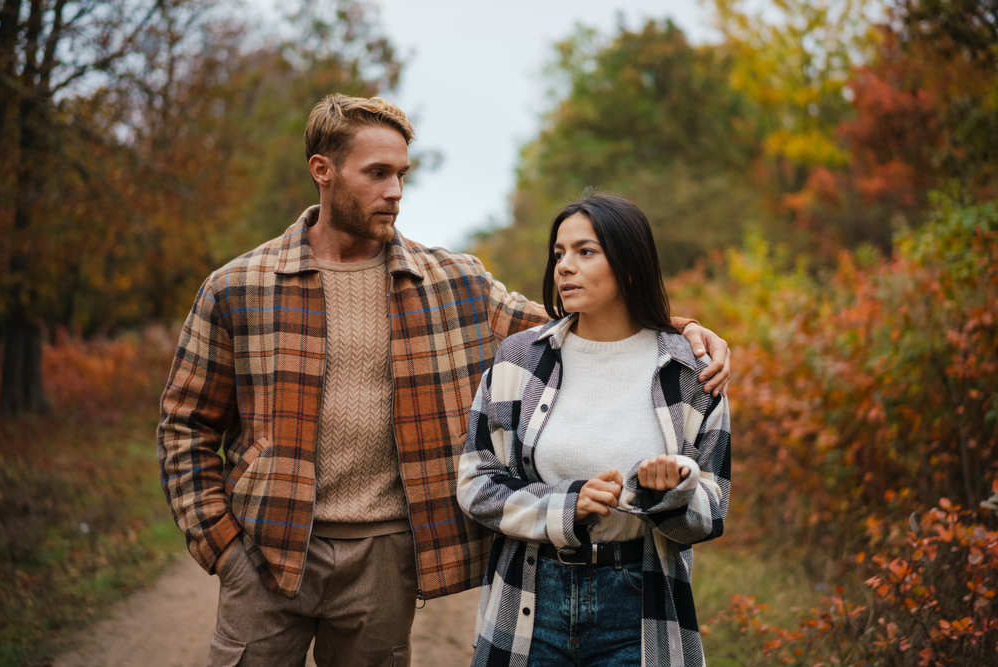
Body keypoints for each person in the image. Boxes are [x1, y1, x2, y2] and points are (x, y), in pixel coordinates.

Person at [157, 95, 731, 667]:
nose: (395, 191)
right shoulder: (239, 287)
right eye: (377, 173)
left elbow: (576, 327)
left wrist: (681, 330)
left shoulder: (454, 282)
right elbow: (185, 424)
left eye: (401, 174)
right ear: (322, 171)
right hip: (266, 550)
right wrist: (224, 546)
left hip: (384, 560)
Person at [457, 193, 731, 667]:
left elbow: (713, 509)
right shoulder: (520, 361)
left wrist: (669, 492)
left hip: (640, 606)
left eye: (585, 251)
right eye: (559, 253)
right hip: (528, 598)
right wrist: (565, 506)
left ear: (628, 264)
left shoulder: (690, 372)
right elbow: (476, 483)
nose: (564, 266)